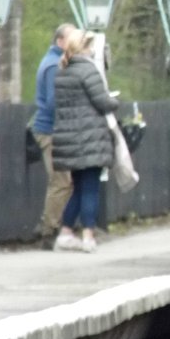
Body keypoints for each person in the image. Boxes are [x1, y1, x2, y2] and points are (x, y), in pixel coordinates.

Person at [51, 29, 119, 253]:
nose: (91, 49)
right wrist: (114, 101)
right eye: (88, 45)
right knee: (90, 187)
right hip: (90, 138)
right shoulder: (87, 70)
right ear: (82, 48)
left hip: (69, 139)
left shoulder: (62, 72)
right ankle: (88, 235)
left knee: (78, 188)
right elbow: (101, 101)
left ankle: (66, 232)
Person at [32, 23, 76, 249]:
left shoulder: (54, 62)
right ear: (60, 41)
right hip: (51, 130)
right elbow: (53, 102)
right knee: (61, 181)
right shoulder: (53, 66)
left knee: (64, 181)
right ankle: (48, 230)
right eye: (72, 39)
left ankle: (53, 226)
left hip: (50, 129)